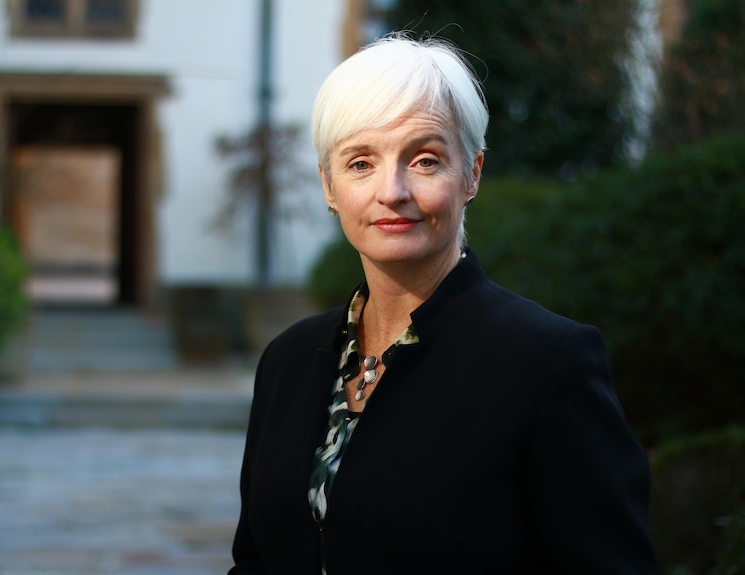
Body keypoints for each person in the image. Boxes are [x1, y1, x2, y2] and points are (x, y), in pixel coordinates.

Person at [229, 34, 656, 574]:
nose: (392, 190)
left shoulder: (548, 362)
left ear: (472, 173)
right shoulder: (287, 360)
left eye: (425, 160)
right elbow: (255, 561)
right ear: (329, 186)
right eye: (361, 162)